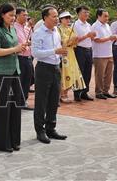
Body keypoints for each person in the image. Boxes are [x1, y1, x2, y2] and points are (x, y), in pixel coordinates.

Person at [0, 3, 24, 153]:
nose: (13, 18)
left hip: (15, 71)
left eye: (14, 15)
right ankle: (3, 142)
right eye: (10, 15)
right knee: (3, 108)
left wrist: (21, 47)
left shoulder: (13, 28)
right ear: (2, 15)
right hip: (2, 72)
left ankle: (14, 140)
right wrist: (14, 49)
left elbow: (14, 47)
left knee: (15, 107)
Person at [31, 7, 68, 144]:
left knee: (54, 101)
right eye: (53, 16)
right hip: (43, 68)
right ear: (45, 18)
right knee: (41, 101)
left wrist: (61, 53)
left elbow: (57, 49)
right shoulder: (38, 33)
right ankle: (40, 131)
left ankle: (51, 128)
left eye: (57, 16)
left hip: (55, 68)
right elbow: (35, 53)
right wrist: (55, 51)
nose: (57, 19)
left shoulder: (56, 31)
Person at [57, 11, 85, 103]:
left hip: (71, 53)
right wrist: (70, 40)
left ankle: (66, 93)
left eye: (69, 18)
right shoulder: (58, 29)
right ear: (60, 20)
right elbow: (61, 42)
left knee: (72, 73)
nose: (68, 20)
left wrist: (74, 40)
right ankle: (62, 94)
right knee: (64, 74)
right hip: (63, 53)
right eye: (66, 18)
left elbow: (75, 42)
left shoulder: (70, 29)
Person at [72, 5, 97, 101]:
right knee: (79, 72)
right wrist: (87, 35)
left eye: (87, 12)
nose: (87, 14)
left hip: (89, 49)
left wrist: (92, 36)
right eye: (84, 12)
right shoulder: (75, 25)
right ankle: (77, 93)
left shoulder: (88, 25)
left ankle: (85, 92)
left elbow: (91, 37)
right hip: (79, 50)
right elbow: (74, 40)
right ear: (78, 14)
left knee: (88, 72)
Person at [92, 9, 117, 99]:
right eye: (105, 16)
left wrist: (112, 38)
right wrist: (109, 38)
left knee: (109, 74)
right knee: (100, 74)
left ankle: (106, 91)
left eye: (107, 16)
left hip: (109, 53)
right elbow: (96, 39)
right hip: (99, 55)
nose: (107, 18)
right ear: (98, 16)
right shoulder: (95, 26)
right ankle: (99, 92)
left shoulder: (107, 26)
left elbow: (109, 38)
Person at [13, 7, 34, 110]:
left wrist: (29, 43)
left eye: (27, 15)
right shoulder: (13, 28)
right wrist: (22, 45)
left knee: (27, 80)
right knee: (19, 81)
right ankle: (17, 101)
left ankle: (23, 101)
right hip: (19, 57)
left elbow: (30, 41)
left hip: (28, 57)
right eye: (23, 15)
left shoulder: (27, 28)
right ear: (17, 15)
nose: (26, 17)